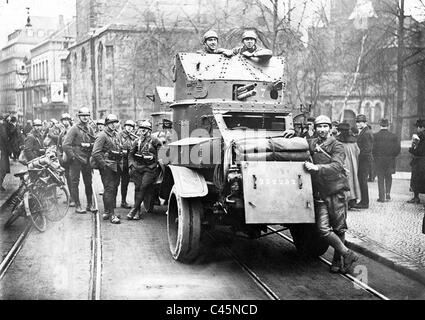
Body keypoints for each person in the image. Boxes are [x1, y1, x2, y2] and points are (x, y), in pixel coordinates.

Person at [304, 115, 358, 274]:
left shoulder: (337, 145)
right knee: (323, 229)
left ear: (330, 128)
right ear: (315, 128)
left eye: (325, 127)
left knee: (339, 229)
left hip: (336, 192)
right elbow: (301, 143)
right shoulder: (312, 142)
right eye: (319, 127)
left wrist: (317, 168)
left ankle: (337, 261)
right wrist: (291, 132)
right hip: (321, 193)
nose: (322, 130)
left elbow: (336, 166)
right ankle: (348, 254)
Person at [62, 107, 96, 214]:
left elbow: (94, 142)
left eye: (87, 116)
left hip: (86, 159)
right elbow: (66, 145)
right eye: (83, 116)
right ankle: (77, 205)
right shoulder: (74, 129)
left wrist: (90, 146)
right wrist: (72, 157)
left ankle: (89, 205)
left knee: (88, 182)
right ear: (79, 117)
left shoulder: (90, 129)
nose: (85, 118)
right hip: (76, 160)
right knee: (74, 183)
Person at [127, 120, 162, 220]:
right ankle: (137, 212)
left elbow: (161, 153)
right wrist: (131, 165)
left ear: (149, 131)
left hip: (150, 168)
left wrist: (154, 160)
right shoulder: (137, 141)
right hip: (138, 168)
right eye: (141, 129)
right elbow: (130, 154)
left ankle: (134, 209)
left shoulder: (155, 140)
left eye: (145, 129)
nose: (142, 131)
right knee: (137, 188)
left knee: (143, 186)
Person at [92, 114, 123, 224]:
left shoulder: (115, 134)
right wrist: (104, 165)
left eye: (116, 123)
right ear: (107, 124)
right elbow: (95, 153)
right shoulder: (102, 135)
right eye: (112, 123)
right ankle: (112, 215)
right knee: (110, 189)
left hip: (115, 165)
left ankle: (107, 211)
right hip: (107, 167)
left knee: (112, 189)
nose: (115, 125)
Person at [372, 119, 401, 202]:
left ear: (380, 125)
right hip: (390, 160)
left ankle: (381, 197)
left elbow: (372, 149)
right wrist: (392, 156)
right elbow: (398, 149)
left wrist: (376, 157)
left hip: (379, 160)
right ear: (388, 125)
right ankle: (388, 194)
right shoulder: (394, 136)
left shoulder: (375, 136)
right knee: (389, 176)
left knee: (380, 177)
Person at [336, 122, 361, 209]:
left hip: (342, 162)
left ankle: (345, 200)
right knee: (353, 180)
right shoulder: (353, 141)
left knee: (344, 180)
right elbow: (358, 152)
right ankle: (353, 200)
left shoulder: (338, 141)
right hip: (353, 164)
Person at [352, 114, 373, 209]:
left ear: (364, 122)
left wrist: (358, 156)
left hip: (365, 160)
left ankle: (364, 203)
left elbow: (367, 149)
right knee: (362, 180)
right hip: (364, 159)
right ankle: (364, 201)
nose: (357, 124)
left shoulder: (367, 133)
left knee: (362, 181)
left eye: (359, 122)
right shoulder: (365, 131)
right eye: (357, 122)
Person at [118, 120, 137, 209]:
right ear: (124, 126)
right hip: (119, 161)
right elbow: (117, 145)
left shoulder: (134, 137)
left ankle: (123, 201)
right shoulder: (119, 135)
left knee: (125, 183)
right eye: (127, 126)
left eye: (131, 126)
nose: (129, 128)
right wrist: (122, 150)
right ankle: (112, 202)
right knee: (114, 183)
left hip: (127, 162)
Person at [57, 113, 75, 207]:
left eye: (67, 120)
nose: (65, 122)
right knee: (68, 178)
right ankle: (71, 197)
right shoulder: (62, 133)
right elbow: (58, 147)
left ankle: (74, 199)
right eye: (63, 120)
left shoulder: (73, 131)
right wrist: (60, 157)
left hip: (73, 158)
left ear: (70, 121)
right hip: (65, 160)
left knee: (73, 179)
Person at [407, 119, 425, 204]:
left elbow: (420, 151)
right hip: (419, 161)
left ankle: (416, 197)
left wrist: (412, 149)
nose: (417, 129)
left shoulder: (422, 137)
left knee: (417, 179)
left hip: (420, 162)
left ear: (422, 128)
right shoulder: (420, 136)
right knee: (418, 179)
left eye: (418, 127)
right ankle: (416, 197)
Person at [0, 115, 11, 192]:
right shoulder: (2, 126)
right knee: (3, 169)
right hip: (2, 150)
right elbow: (5, 138)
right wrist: (9, 150)